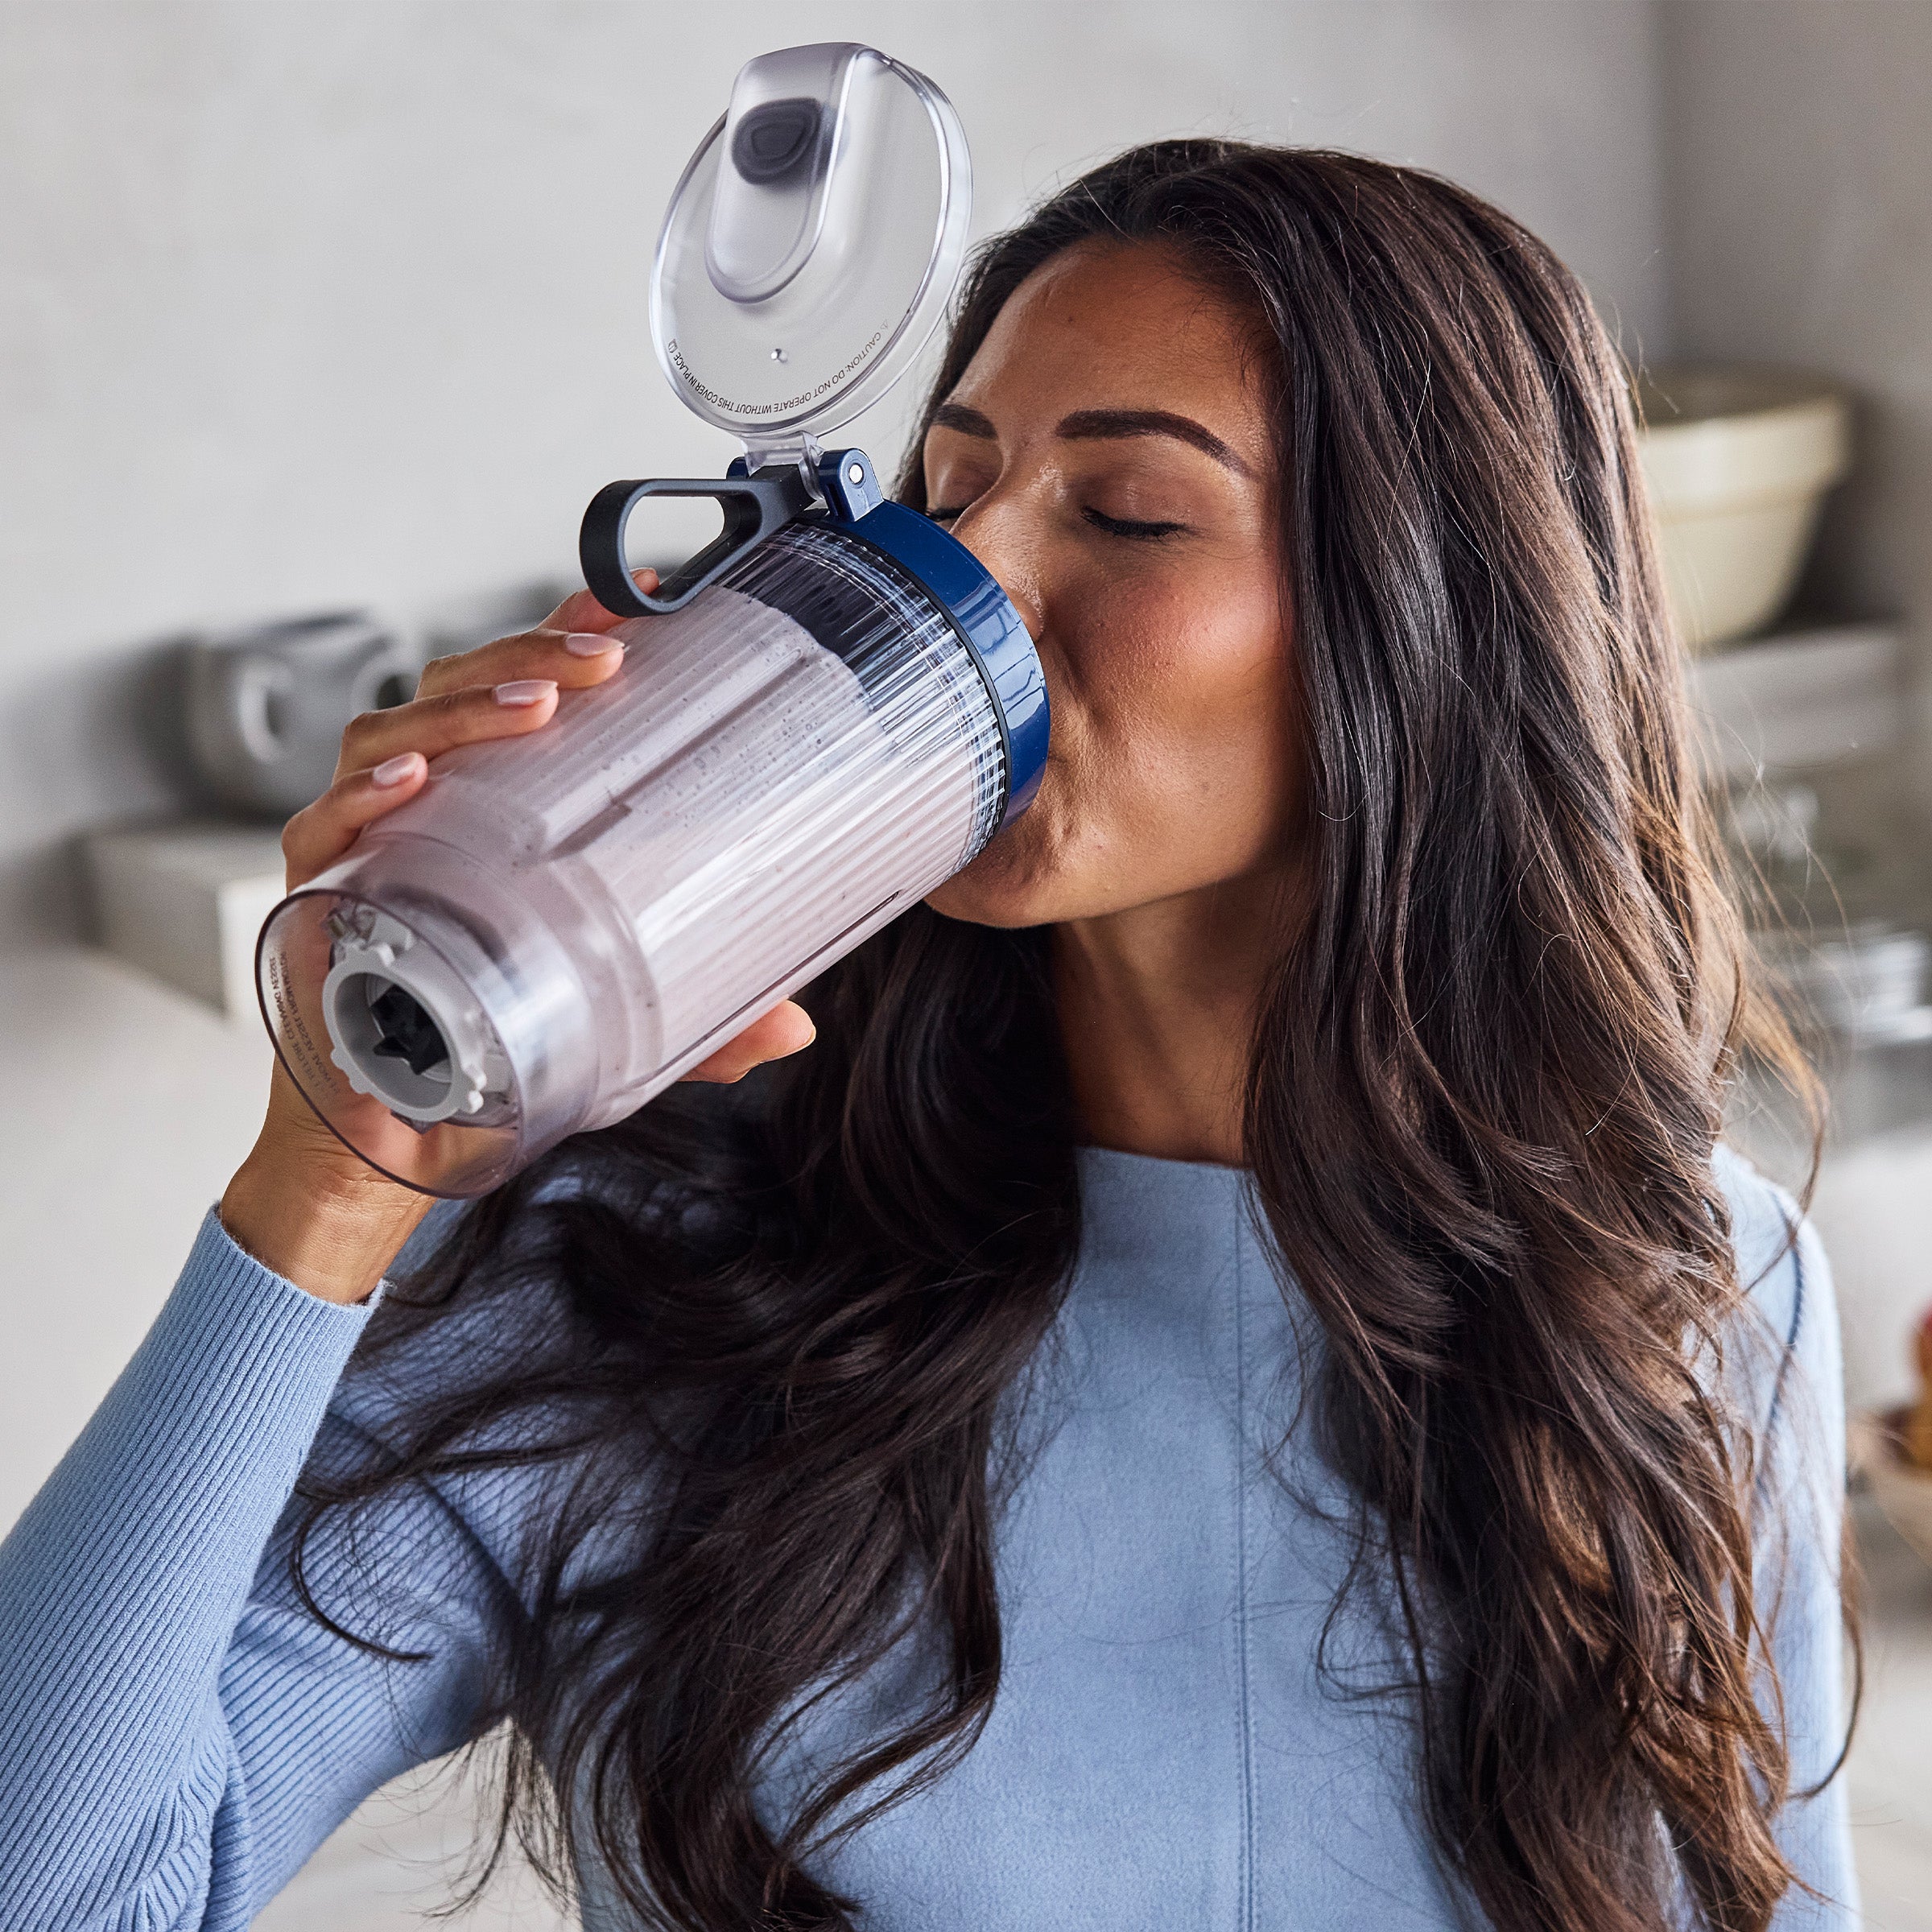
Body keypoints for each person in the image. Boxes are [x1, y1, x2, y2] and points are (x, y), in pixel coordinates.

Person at [0, 141, 1855, 1932]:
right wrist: (332, 1173)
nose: (965, 578)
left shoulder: (1693, 1291)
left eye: (1126, 513)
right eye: (944, 491)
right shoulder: (652, 1268)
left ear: (1427, 634)